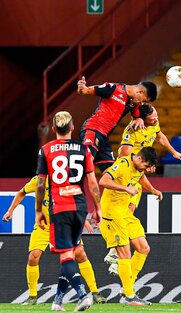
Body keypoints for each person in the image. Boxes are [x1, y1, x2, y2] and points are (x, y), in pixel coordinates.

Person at [104, 103, 181, 275]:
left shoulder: (153, 122)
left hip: (137, 176)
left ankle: (114, 254)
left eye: (156, 115)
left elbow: (159, 136)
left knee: (130, 211)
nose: (155, 119)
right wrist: (142, 164)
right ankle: (114, 253)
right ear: (141, 119)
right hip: (127, 176)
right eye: (152, 118)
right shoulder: (132, 131)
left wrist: (173, 152)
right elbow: (124, 155)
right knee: (125, 211)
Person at [2, 176, 107, 305]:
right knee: (33, 257)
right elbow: (21, 192)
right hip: (44, 227)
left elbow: (73, 202)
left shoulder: (66, 181)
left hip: (65, 225)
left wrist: (83, 221)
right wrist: (10, 211)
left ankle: (95, 293)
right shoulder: (38, 181)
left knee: (80, 254)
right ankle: (32, 296)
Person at [35, 111, 102, 312]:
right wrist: (97, 207)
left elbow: (40, 185)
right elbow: (92, 182)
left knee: (65, 256)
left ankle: (83, 295)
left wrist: (38, 210)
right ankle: (57, 302)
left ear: (54, 129)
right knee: (71, 253)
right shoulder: (84, 149)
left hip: (60, 207)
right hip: (80, 207)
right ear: (73, 128)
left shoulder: (46, 150)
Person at [99, 146, 162, 306]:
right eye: (146, 166)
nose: (147, 170)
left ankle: (127, 287)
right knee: (125, 253)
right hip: (112, 213)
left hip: (125, 213)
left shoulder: (138, 168)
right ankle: (129, 296)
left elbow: (140, 177)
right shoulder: (122, 164)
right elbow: (103, 180)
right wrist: (125, 188)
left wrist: (153, 190)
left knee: (143, 248)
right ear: (139, 159)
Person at [76, 76, 157, 172]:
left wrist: (139, 119)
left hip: (104, 138)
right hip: (93, 130)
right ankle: (66, 185)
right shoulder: (113, 88)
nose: (142, 103)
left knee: (111, 173)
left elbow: (136, 117)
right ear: (140, 92)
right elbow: (85, 91)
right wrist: (81, 88)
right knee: (85, 164)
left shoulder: (135, 103)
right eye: (144, 100)